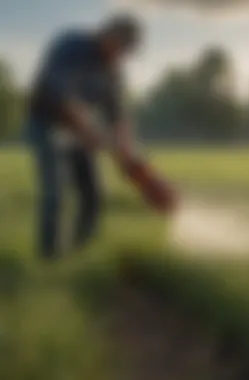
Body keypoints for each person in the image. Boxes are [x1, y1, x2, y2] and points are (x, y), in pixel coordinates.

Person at [26, 14, 175, 260]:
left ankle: (82, 249)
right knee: (55, 191)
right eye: (122, 47)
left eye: (128, 50)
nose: (123, 55)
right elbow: (63, 97)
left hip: (80, 129)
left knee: (93, 192)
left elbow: (119, 117)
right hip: (47, 122)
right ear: (108, 35)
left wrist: (135, 165)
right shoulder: (72, 46)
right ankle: (49, 256)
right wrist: (90, 131)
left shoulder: (112, 70)